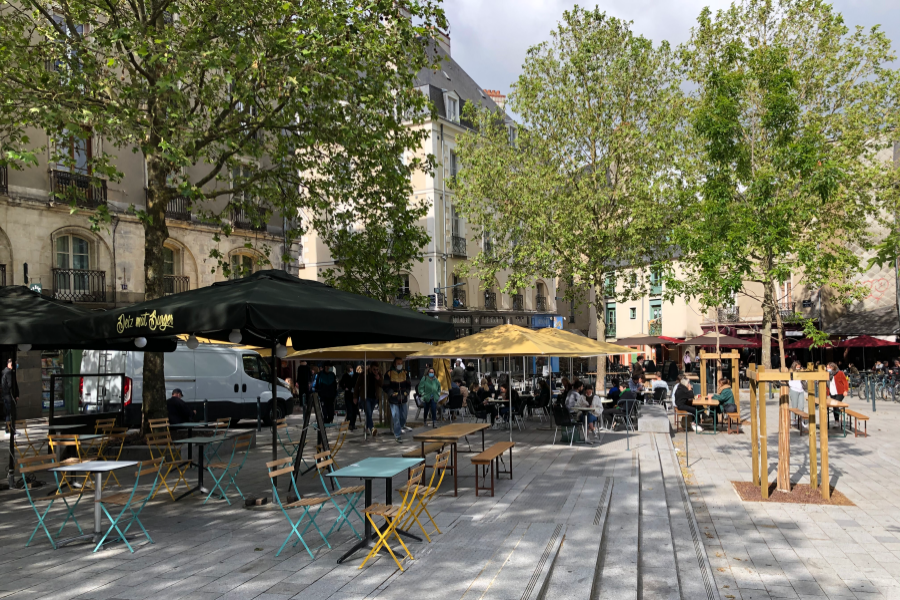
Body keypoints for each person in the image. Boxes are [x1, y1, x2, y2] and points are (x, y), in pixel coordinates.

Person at [384, 358, 412, 443]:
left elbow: (409, 385)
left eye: (401, 363)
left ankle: (400, 426)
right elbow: (385, 386)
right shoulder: (389, 374)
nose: (400, 364)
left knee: (403, 416)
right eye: (398, 363)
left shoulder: (405, 373)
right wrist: (391, 392)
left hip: (403, 398)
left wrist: (407, 392)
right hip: (393, 399)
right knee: (396, 415)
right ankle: (397, 435)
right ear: (394, 364)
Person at [354, 362, 382, 437]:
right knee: (368, 413)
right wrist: (355, 397)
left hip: (374, 398)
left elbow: (382, 384)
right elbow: (357, 385)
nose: (375, 371)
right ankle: (372, 428)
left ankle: (366, 428)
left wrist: (378, 379)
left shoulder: (378, 374)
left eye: (377, 369)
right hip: (365, 397)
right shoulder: (364, 374)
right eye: (374, 369)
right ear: (370, 368)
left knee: (369, 414)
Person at [827, 362, 848, 428]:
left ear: (832, 368)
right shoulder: (827, 374)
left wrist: (845, 390)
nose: (827, 369)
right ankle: (837, 421)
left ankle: (837, 421)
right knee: (834, 406)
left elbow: (845, 382)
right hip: (832, 392)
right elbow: (826, 384)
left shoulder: (840, 373)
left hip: (840, 392)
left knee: (836, 405)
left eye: (828, 368)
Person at [788, 361, 808, 429]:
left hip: (801, 390)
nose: (798, 368)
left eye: (799, 367)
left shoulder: (802, 371)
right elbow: (790, 380)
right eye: (797, 367)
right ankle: (794, 419)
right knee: (794, 405)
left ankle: (801, 420)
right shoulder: (791, 371)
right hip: (794, 389)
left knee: (801, 406)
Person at [2, 358, 20, 432]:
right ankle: (10, 429)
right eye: (14, 364)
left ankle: (8, 428)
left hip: (6, 395)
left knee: (8, 412)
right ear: (10, 364)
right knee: (11, 413)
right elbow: (11, 384)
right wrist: (16, 395)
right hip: (10, 395)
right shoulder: (9, 373)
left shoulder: (3, 372)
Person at [340, 365, 359, 430]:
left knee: (354, 410)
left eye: (351, 371)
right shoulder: (345, 376)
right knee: (349, 410)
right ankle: (350, 424)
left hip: (355, 395)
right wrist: (345, 388)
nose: (350, 372)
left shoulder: (356, 376)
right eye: (349, 371)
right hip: (348, 395)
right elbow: (341, 383)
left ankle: (353, 424)